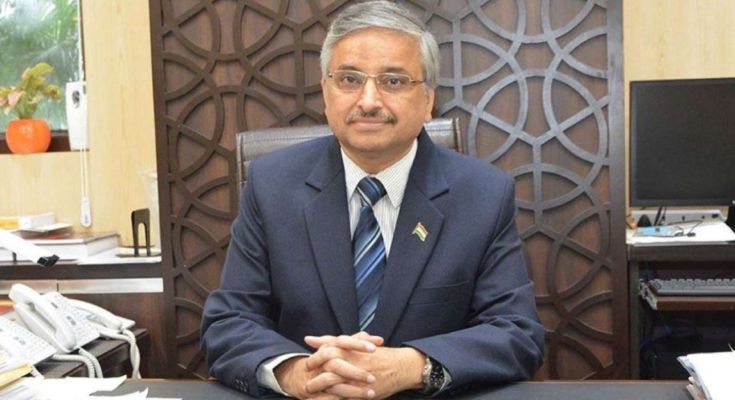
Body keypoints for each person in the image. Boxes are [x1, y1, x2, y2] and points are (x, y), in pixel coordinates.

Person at [201, 1, 544, 398]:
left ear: (428, 100)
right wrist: (296, 373)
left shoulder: (483, 194)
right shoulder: (271, 185)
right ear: (325, 92)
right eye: (349, 79)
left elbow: (516, 332)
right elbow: (228, 323)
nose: (368, 101)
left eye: (393, 81)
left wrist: (412, 366)